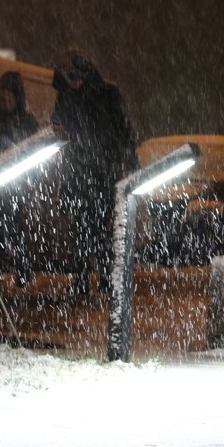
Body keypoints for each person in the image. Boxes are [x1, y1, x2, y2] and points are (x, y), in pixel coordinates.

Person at [51, 49, 137, 295]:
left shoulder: (107, 94)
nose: (73, 81)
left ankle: (105, 278)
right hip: (77, 170)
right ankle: (81, 279)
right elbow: (57, 125)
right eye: (68, 77)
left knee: (101, 226)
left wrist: (130, 159)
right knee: (79, 228)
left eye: (76, 76)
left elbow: (122, 128)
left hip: (102, 170)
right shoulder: (65, 97)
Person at [0, 71, 40, 286]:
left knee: (14, 227)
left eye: (9, 98)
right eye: (1, 98)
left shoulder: (27, 121)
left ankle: (23, 271)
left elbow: (33, 150)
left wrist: (29, 180)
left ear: (17, 98)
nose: (5, 103)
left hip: (17, 183)